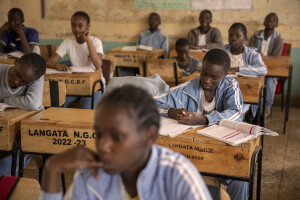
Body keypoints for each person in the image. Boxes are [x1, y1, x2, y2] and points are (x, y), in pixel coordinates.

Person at [40, 85, 212, 200]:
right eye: (99, 135)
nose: (103, 146)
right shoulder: (91, 175)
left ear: (149, 136)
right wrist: (52, 169)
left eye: (117, 137)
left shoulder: (177, 174)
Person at [155, 48, 243, 125]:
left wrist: (204, 119)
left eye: (214, 77)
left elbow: (236, 113)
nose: (207, 80)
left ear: (225, 75)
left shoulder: (230, 86)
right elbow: (151, 104)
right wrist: (170, 111)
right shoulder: (187, 89)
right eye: (204, 74)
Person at [0, 53, 46, 176]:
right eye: (17, 74)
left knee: (3, 170)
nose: (16, 81)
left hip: (25, 139)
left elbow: (32, 103)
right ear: (16, 62)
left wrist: (5, 100)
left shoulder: (35, 77)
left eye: (24, 81)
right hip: (3, 134)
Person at [46, 11, 103, 109]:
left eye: (80, 26)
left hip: (94, 84)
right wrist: (57, 65)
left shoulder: (95, 42)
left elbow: (98, 64)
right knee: (59, 104)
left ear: (87, 26)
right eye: (73, 25)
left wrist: (88, 40)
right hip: (76, 83)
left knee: (86, 108)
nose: (76, 29)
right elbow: (49, 62)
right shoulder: (68, 42)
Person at [224, 22, 267, 121]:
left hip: (245, 94)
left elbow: (263, 69)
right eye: (231, 35)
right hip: (224, 92)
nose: (233, 38)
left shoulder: (252, 54)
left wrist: (237, 69)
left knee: (236, 113)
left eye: (238, 36)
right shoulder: (223, 51)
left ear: (245, 37)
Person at [249, 13, 283, 119]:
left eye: (273, 20)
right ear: (264, 22)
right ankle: (253, 110)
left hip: (270, 70)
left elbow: (276, 58)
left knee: (269, 81)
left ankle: (266, 110)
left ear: (276, 24)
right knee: (251, 81)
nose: (270, 22)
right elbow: (250, 52)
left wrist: (262, 59)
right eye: (268, 19)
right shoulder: (255, 36)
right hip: (255, 68)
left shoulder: (278, 39)